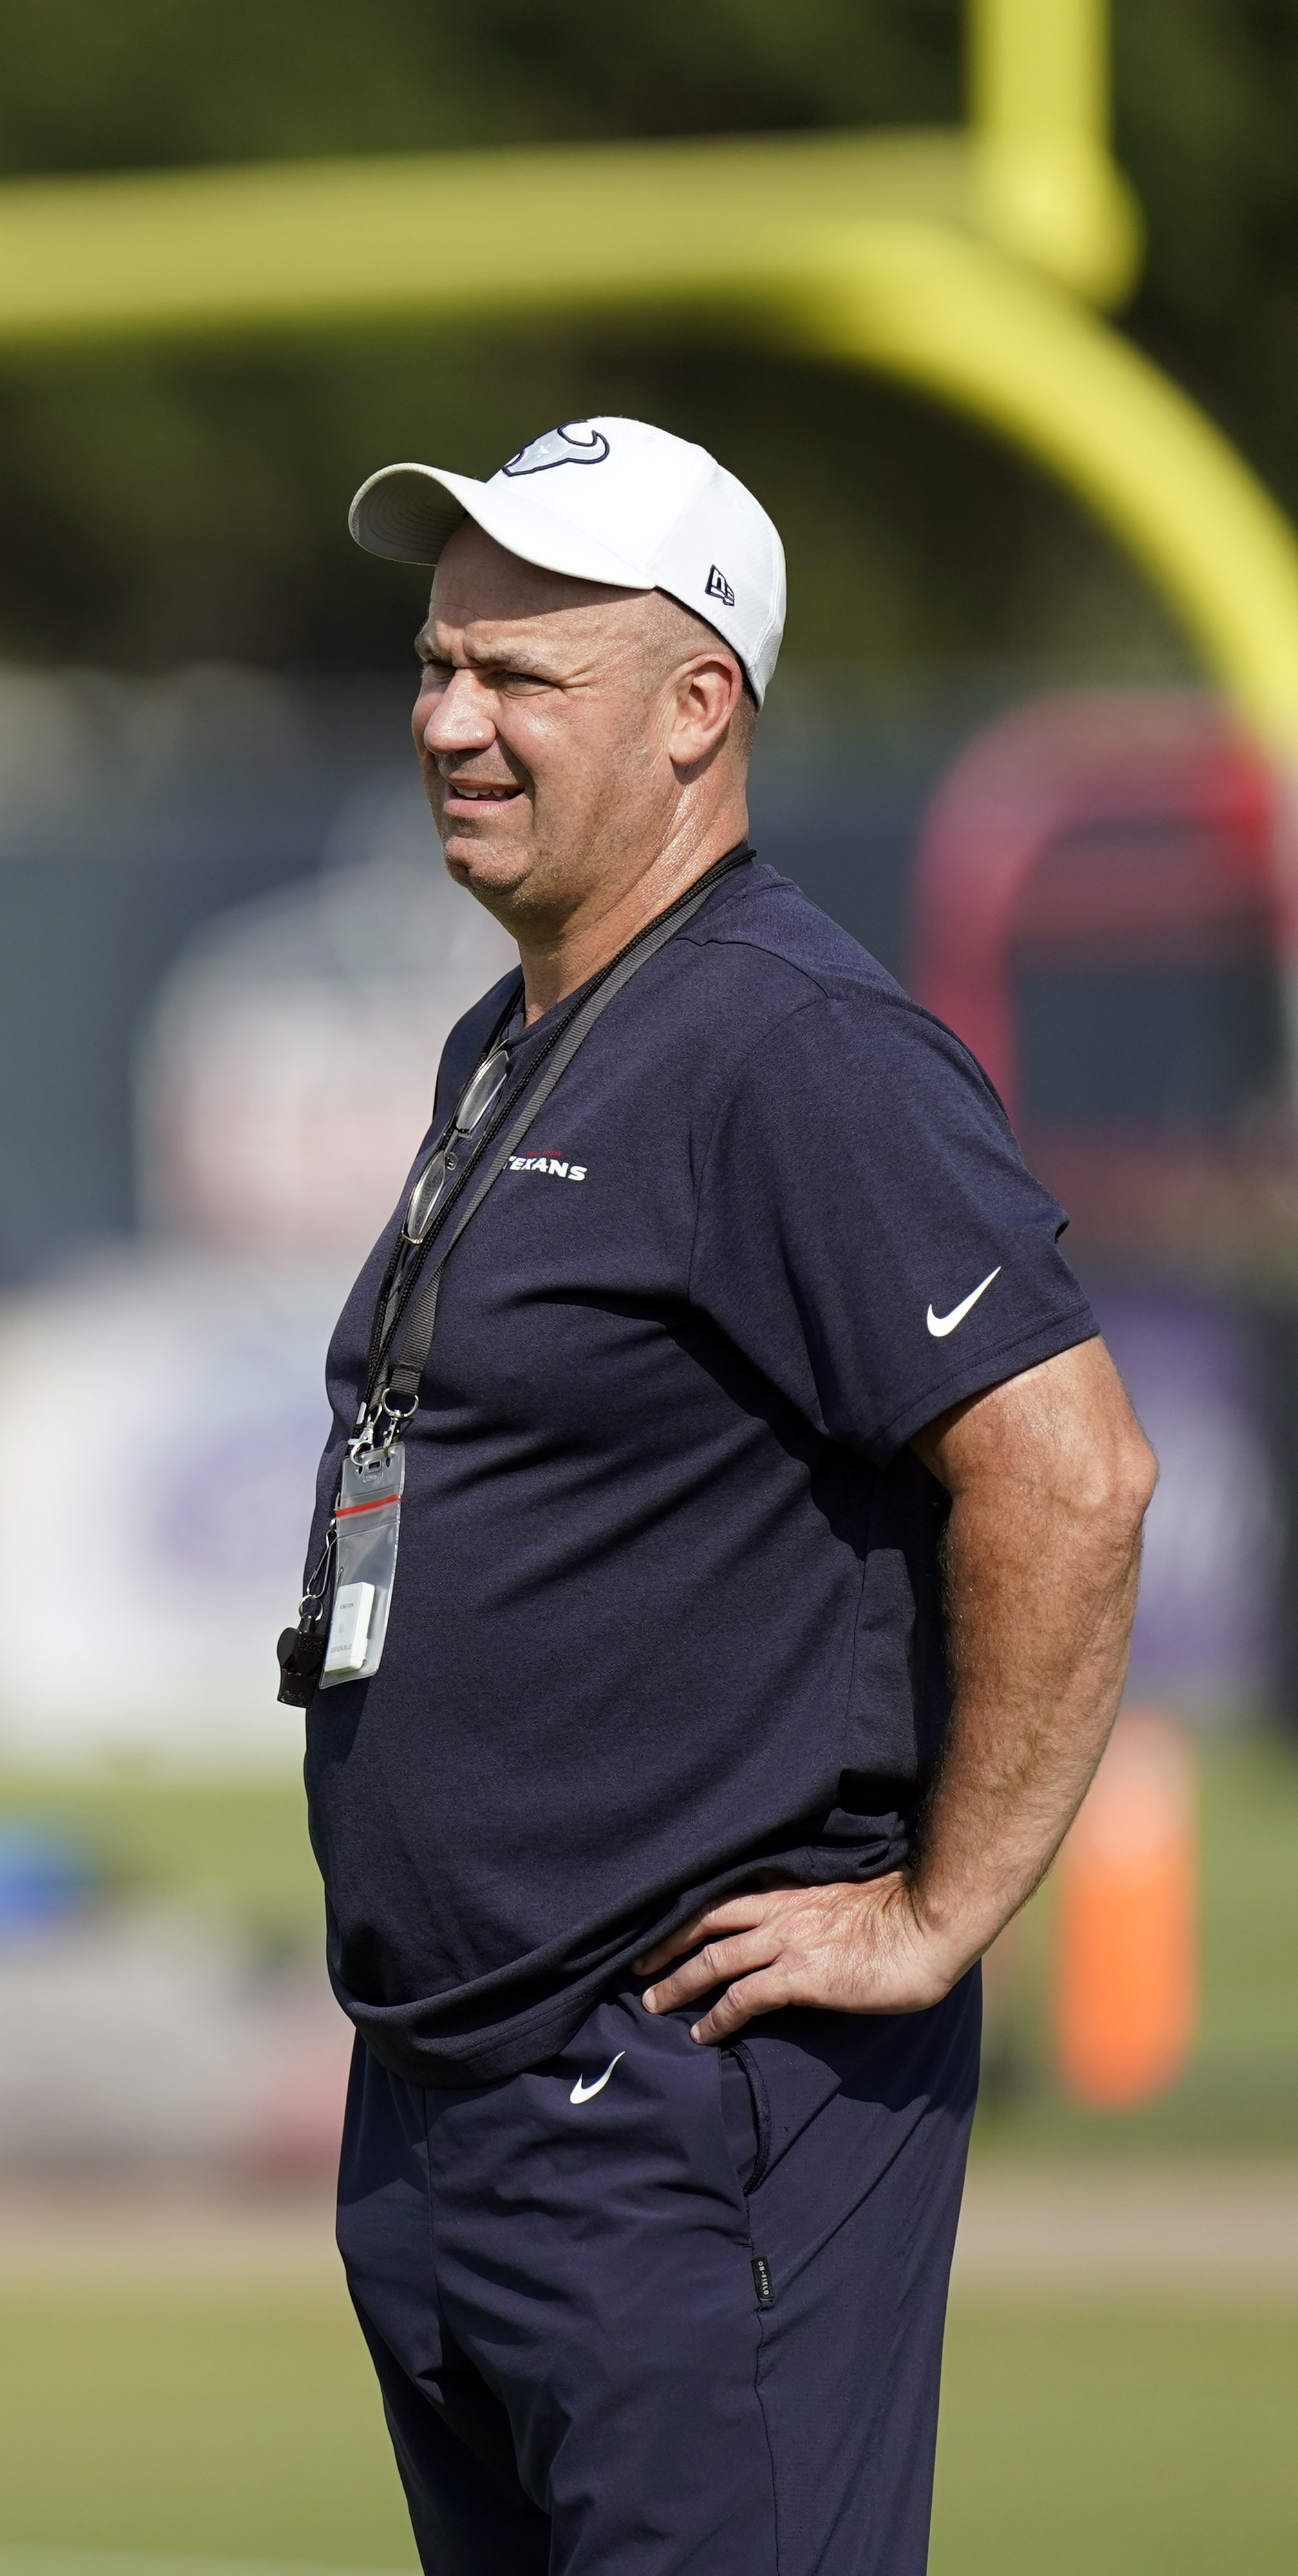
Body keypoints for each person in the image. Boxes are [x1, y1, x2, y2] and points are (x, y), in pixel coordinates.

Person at [283, 417, 1158, 2573]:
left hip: (675, 2099)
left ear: (700, 712)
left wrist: (942, 1912)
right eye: (434, 667)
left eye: (521, 676)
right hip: (456, 2090)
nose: (453, 723)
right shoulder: (519, 1038)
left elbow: (1072, 1472)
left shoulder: (795, 1042)